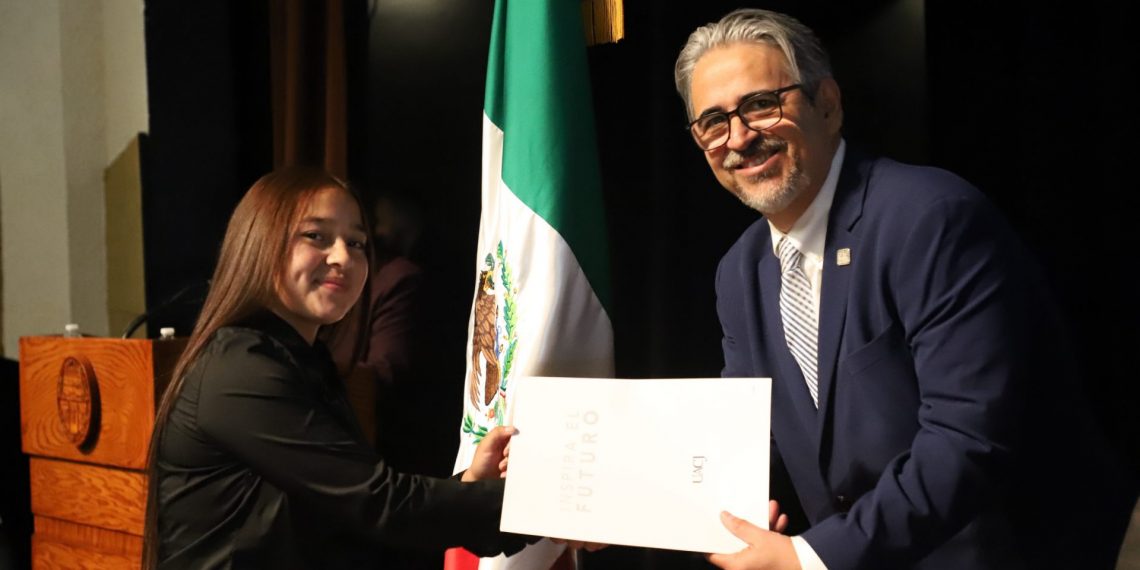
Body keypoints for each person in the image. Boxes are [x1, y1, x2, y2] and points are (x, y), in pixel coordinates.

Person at [674, 8, 1136, 570]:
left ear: (827, 104)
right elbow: (742, 440)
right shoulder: (739, 271)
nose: (739, 137)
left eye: (761, 104)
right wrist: (614, 507)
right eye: (713, 122)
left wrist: (811, 556)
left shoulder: (930, 217)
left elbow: (967, 437)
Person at [143, 168, 527, 569]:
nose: (344, 257)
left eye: (357, 242)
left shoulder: (303, 359)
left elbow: (353, 513)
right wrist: (531, 505)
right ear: (260, 243)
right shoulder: (240, 367)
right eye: (316, 236)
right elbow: (378, 502)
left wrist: (470, 486)